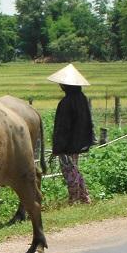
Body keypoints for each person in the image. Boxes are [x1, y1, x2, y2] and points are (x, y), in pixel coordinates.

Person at [48, 64, 95, 204]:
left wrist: (57, 148)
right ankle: (84, 196)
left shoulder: (66, 102)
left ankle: (74, 198)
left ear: (66, 85)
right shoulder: (82, 99)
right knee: (74, 169)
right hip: (79, 142)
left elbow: (62, 128)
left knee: (69, 171)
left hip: (67, 145)